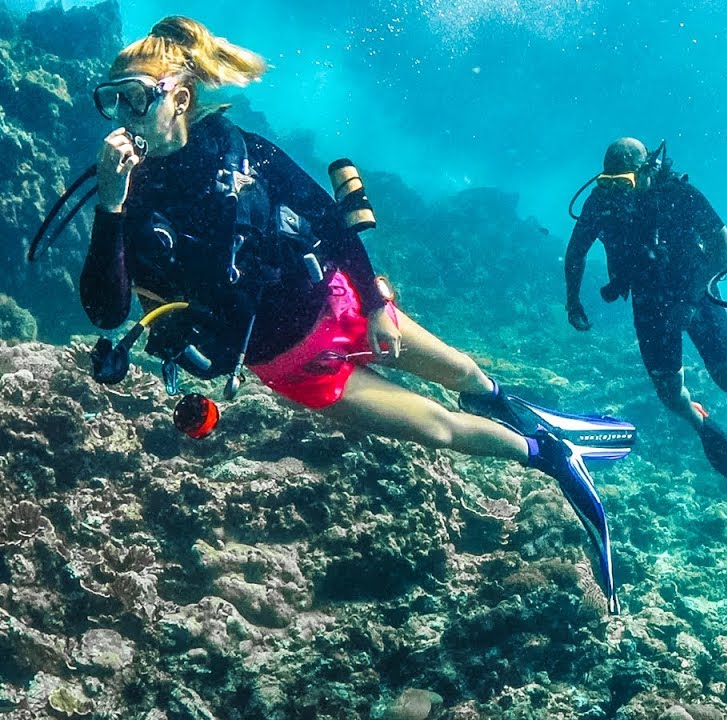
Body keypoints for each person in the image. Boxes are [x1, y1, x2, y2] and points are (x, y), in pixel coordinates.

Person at [77, 16, 625, 612]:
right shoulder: (127, 194)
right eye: (113, 100)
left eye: (136, 97)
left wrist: (376, 304)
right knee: (438, 427)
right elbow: (106, 311)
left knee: (465, 373)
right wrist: (110, 204)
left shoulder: (241, 150)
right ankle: (552, 457)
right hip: (293, 365)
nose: (123, 114)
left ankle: (539, 418)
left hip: (342, 304)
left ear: (179, 98)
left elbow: (331, 223)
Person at [563, 138, 727, 482]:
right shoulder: (600, 204)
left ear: (646, 171)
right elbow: (576, 252)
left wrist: (689, 299)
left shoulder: (680, 195)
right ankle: (699, 421)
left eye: (622, 183)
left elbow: (726, 250)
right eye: (608, 183)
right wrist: (573, 301)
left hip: (696, 295)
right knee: (670, 396)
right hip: (648, 303)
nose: (616, 193)